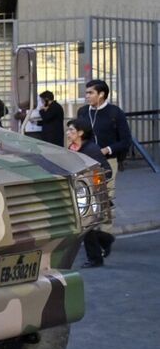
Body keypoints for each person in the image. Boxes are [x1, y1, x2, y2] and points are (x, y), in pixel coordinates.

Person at [77, 78, 131, 256]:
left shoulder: (115, 113)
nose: (87, 96)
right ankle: (93, 237)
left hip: (108, 163)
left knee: (105, 198)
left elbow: (125, 141)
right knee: (87, 199)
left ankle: (105, 237)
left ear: (101, 94)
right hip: (86, 163)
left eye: (90, 93)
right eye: (86, 93)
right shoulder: (83, 112)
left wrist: (107, 149)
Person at [65, 118, 114, 267]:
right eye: (68, 130)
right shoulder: (72, 148)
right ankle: (105, 239)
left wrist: (91, 183)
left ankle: (95, 258)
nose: (68, 133)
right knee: (85, 228)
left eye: (71, 130)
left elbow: (107, 171)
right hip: (79, 194)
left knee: (86, 228)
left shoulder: (91, 150)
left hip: (91, 195)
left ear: (80, 132)